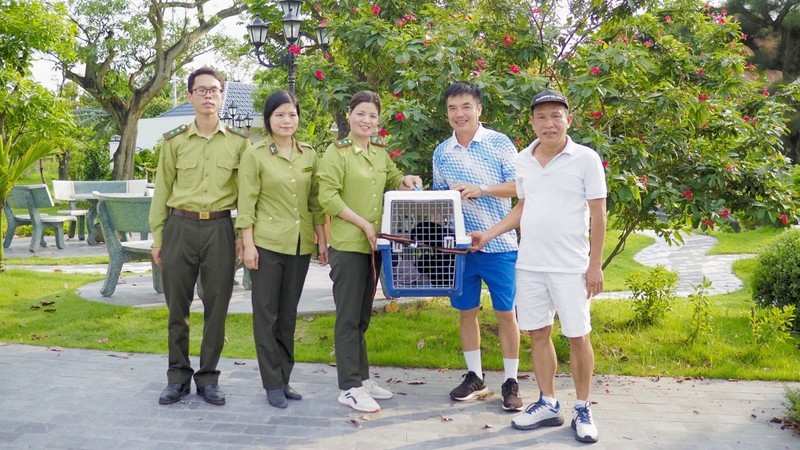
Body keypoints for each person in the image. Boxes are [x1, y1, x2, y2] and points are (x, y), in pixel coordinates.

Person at [469, 89, 607, 443]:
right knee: (538, 333)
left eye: (555, 116)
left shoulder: (586, 159)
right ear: (532, 122)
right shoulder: (523, 159)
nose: (549, 123)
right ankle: (548, 402)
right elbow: (522, 207)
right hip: (530, 264)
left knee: (578, 335)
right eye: (541, 117)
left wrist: (595, 266)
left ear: (568, 120)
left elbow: (598, 215)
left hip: (571, 267)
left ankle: (582, 407)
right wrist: (489, 234)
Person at [317, 90, 422, 413]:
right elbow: (328, 198)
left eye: (373, 116)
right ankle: (348, 387)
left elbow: (392, 180)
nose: (367, 120)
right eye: (361, 113)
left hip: (374, 248)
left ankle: (361, 379)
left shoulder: (378, 153)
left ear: (378, 122)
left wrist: (406, 179)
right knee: (348, 317)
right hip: (349, 246)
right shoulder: (336, 153)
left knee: (362, 316)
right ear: (349, 115)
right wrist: (363, 224)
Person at [149, 67, 249, 406]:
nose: (208, 95)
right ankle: (177, 377)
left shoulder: (239, 144)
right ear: (190, 95)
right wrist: (158, 238)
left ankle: (208, 378)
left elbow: (246, 194)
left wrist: (240, 235)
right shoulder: (174, 141)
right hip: (180, 227)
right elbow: (161, 191)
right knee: (178, 307)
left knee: (216, 306)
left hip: (220, 229)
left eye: (214, 90)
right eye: (201, 90)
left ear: (222, 96)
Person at [431, 82, 522, 412]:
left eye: (466, 106)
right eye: (453, 108)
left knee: (505, 313)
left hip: (500, 244)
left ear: (479, 109)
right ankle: (475, 377)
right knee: (466, 311)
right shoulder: (441, 152)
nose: (460, 114)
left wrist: (481, 189)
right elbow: (439, 201)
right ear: (447, 114)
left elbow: (518, 187)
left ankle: (511, 380)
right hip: (461, 249)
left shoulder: (499, 143)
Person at [236, 90, 329, 409]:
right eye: (280, 115)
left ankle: (285, 378)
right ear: (269, 119)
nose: (287, 120)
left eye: (291, 114)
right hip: (266, 244)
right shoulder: (256, 154)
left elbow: (315, 202)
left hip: (300, 245)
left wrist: (322, 240)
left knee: (288, 315)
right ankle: (271, 382)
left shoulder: (309, 155)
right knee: (266, 315)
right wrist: (247, 244)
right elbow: (245, 202)